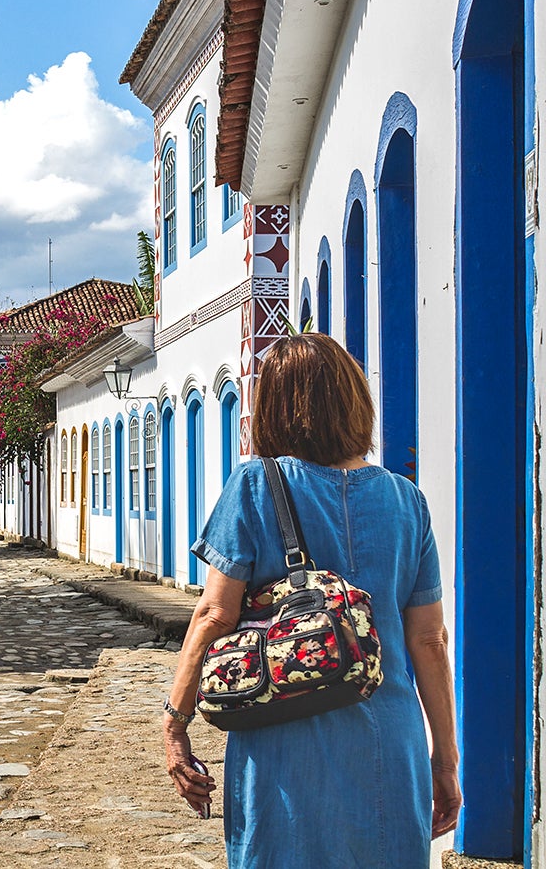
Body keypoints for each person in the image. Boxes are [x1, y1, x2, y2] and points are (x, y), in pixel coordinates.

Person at [161, 334, 460, 868]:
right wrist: (446, 760)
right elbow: (429, 641)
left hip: (284, 744)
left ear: (273, 408)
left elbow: (214, 613)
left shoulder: (254, 485)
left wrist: (175, 723)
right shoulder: (406, 500)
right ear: (354, 402)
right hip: (391, 744)